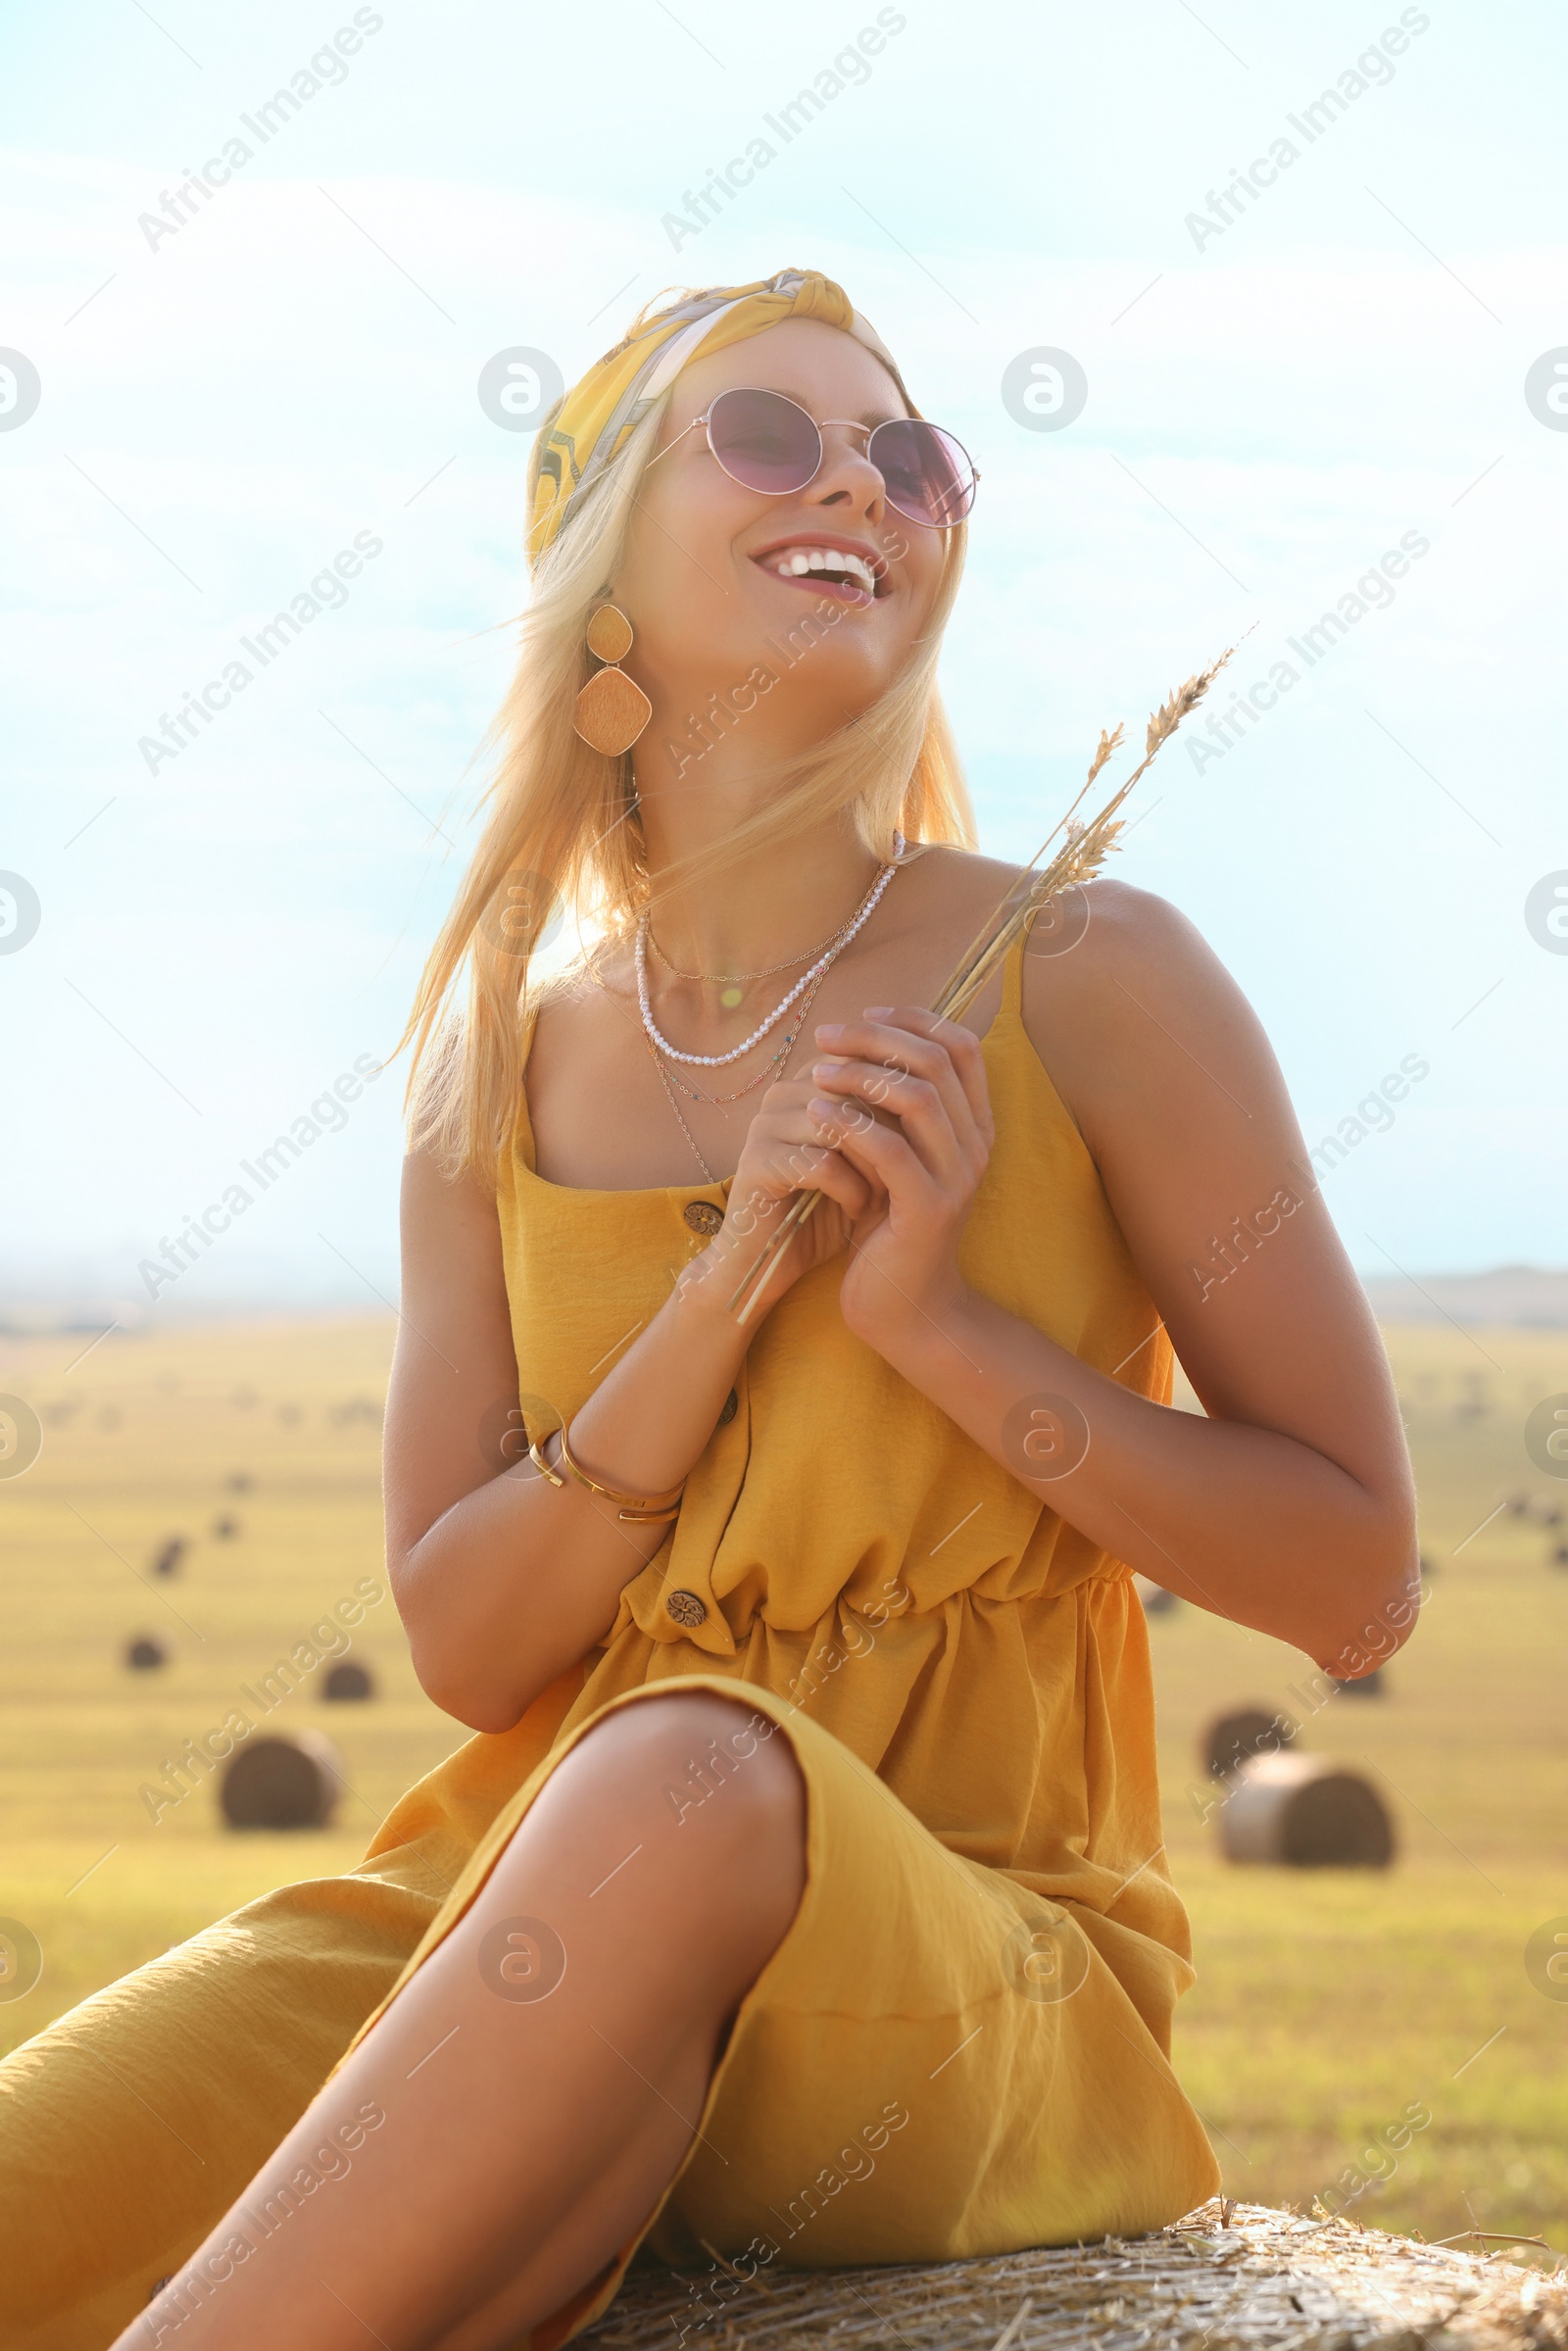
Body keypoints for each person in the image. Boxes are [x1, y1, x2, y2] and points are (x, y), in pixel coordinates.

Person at [2, 268, 1419, 2351]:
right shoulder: (491, 1066)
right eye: (767, 432)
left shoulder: (1090, 977)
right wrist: (723, 1294)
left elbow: (1358, 1584)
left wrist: (950, 1334)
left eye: (908, 451)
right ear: (595, 567)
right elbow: (473, 1644)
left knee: (683, 1774)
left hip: (968, 1972)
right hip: (510, 1900)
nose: (860, 473)